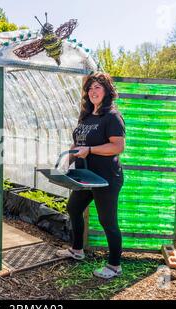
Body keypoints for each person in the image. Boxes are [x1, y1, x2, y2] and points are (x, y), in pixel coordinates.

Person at [56, 72, 126, 279]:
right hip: (86, 175)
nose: (93, 91)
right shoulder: (86, 115)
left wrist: (90, 150)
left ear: (107, 91)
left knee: (108, 221)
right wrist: (66, 162)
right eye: (90, 87)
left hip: (105, 179)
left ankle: (114, 266)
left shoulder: (112, 116)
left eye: (98, 87)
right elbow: (78, 143)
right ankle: (77, 250)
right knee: (74, 208)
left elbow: (117, 147)